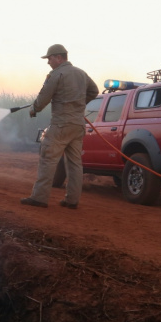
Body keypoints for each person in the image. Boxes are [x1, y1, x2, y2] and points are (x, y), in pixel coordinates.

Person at [20, 44, 99, 210]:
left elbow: (43, 98)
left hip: (61, 125)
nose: (48, 62)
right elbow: (94, 91)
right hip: (78, 125)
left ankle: (39, 198)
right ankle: (72, 200)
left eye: (49, 58)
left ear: (58, 57)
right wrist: (78, 105)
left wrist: (34, 109)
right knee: (75, 164)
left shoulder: (57, 74)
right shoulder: (81, 73)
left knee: (48, 158)